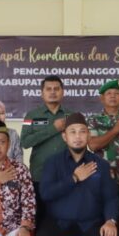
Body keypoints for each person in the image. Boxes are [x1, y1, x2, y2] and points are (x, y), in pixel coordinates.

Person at [21, 75, 73, 222]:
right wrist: (53, 128)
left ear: (62, 92)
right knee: (40, 218)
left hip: (66, 175)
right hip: (40, 175)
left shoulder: (71, 115)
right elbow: (24, 142)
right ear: (42, 93)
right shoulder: (31, 115)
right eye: (48, 89)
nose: (53, 92)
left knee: (65, 217)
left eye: (56, 89)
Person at [87, 79, 119, 182]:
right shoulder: (93, 120)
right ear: (102, 98)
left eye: (116, 93)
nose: (113, 96)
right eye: (109, 93)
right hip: (103, 175)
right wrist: (116, 130)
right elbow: (92, 145)